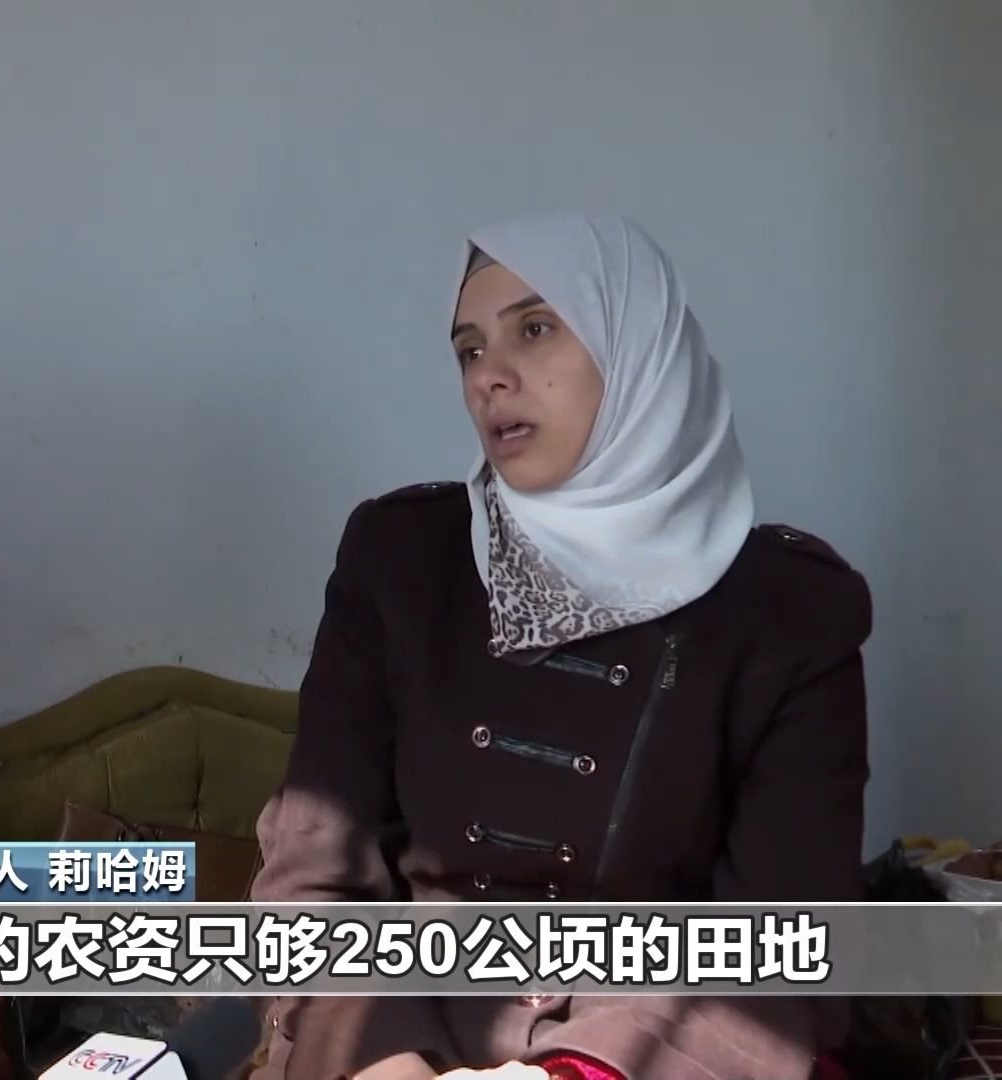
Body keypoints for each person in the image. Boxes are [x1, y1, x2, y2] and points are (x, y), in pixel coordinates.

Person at [251, 211, 870, 1080]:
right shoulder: (400, 559)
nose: (488, 376)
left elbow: (783, 946)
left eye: (535, 330)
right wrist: (385, 1062)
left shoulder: (789, 610)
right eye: (469, 349)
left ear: (640, 351)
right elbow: (316, 876)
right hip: (391, 1046)